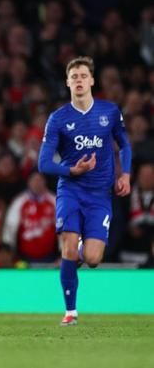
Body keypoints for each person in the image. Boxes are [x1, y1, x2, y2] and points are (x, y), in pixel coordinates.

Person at [38, 56, 131, 326]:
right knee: (67, 247)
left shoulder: (109, 112)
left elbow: (124, 145)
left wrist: (125, 174)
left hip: (100, 194)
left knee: (92, 258)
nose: (78, 80)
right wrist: (72, 171)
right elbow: (43, 163)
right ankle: (71, 312)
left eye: (83, 76)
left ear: (91, 80)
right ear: (68, 83)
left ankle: (78, 252)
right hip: (71, 190)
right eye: (74, 77)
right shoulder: (58, 119)